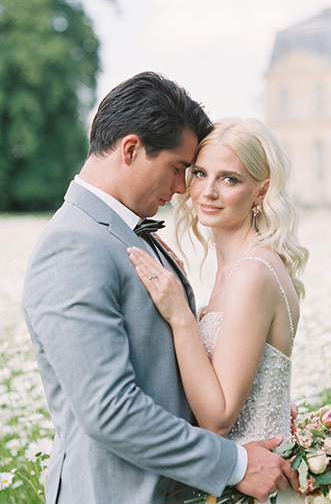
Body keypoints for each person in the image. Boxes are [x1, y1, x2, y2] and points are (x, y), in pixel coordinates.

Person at [21, 72, 298, 503]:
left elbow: (164, 379)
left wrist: (258, 411)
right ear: (131, 149)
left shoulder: (129, 233)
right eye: (181, 170)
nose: (181, 190)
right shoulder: (74, 245)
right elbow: (109, 411)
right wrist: (234, 463)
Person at [127, 116, 309, 502]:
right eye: (200, 173)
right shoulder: (237, 267)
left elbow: (219, 417)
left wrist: (181, 317)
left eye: (229, 178)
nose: (207, 191)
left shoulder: (252, 274)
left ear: (261, 191)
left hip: (257, 490)